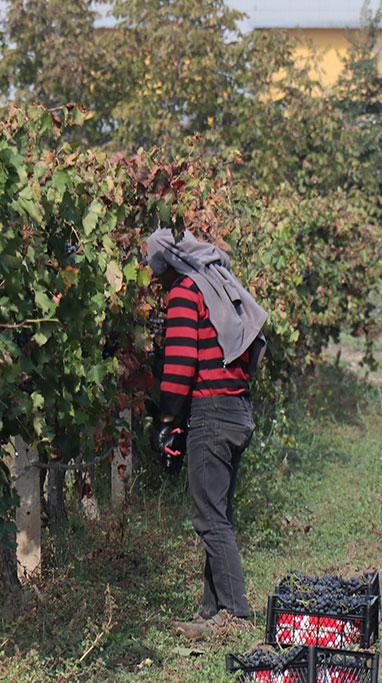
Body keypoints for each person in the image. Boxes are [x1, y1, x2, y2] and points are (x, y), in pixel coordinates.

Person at [145, 228, 268, 640]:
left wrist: (166, 424)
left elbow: (180, 366)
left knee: (208, 518)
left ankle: (235, 615)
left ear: (168, 267)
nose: (154, 281)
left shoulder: (185, 291)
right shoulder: (218, 286)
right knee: (219, 515)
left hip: (211, 413)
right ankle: (211, 612)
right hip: (236, 410)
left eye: (155, 272)